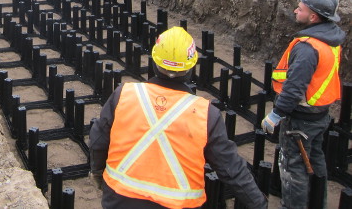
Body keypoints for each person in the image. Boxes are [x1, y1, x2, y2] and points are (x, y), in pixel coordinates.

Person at [89, 26, 267, 209]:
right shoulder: (205, 114)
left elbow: (98, 139)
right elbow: (231, 169)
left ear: (154, 63)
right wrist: (259, 204)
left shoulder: (124, 94)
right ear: (191, 68)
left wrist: (97, 171)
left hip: (119, 199)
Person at [262, 0, 344, 209]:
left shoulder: (308, 48)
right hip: (319, 114)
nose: (295, 11)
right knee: (316, 161)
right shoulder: (331, 40)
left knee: (293, 168)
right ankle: (318, 202)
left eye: (300, 9)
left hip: (301, 119)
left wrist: (276, 114)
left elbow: (295, 87)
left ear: (314, 16)